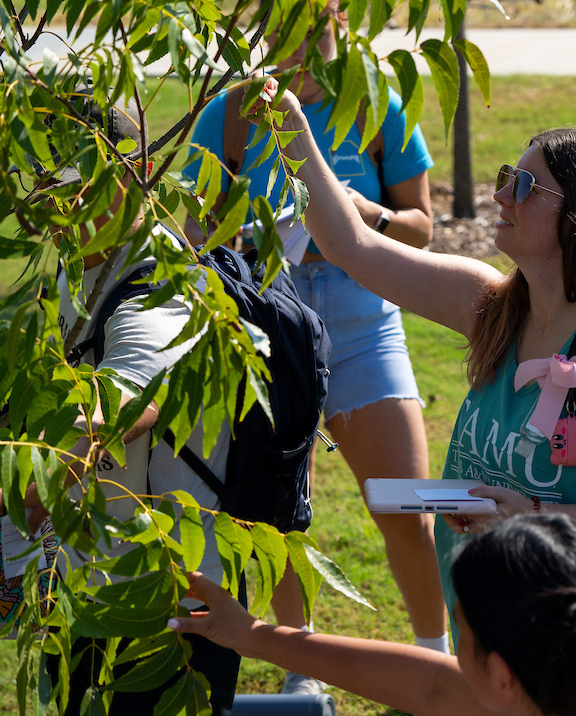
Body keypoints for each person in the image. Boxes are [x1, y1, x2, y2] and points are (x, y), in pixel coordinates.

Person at [246, 80, 576, 644]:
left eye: (526, 186)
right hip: (495, 616)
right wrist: (292, 126)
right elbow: (353, 247)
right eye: (508, 177)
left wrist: (532, 514)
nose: (501, 196)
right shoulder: (492, 306)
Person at [183, 1, 449, 693]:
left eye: (314, 19)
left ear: (338, 14)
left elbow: (422, 227)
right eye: (280, 21)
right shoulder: (233, 112)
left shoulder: (374, 98)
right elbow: (192, 237)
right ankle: (300, 673)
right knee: (275, 518)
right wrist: (242, 237)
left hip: (364, 331)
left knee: (403, 505)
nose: (297, 37)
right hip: (271, 342)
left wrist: (365, 216)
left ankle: (440, 657)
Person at [18, 89, 242, 716]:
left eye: (85, 187)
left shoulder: (157, 283)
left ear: (138, 176)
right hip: (90, 572)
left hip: (173, 597)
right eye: (49, 188)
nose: (64, 207)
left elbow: (126, 402)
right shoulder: (72, 264)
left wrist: (28, 479)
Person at [168, 513, 576, 716]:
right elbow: (427, 685)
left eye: (460, 632)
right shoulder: (574, 691)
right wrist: (251, 634)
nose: (451, 646)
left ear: (500, 676)